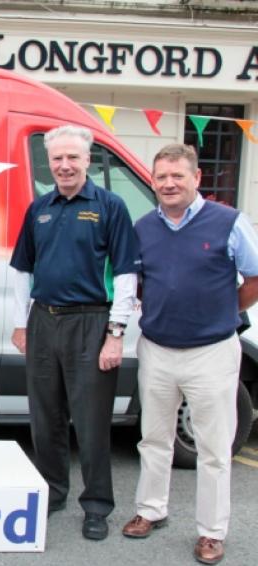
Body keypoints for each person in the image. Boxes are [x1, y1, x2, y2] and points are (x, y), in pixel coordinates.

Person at [121, 144, 258, 565]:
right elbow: (140, 283)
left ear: (197, 178)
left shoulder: (230, 222)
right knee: (154, 438)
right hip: (158, 349)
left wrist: (221, 310)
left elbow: (253, 277)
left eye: (177, 175)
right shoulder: (144, 227)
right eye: (161, 176)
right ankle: (150, 510)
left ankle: (212, 532)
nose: (168, 183)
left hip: (212, 352)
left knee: (214, 448)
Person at [9, 124, 140, 540]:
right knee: (45, 417)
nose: (65, 165)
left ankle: (97, 504)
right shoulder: (39, 208)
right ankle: (52, 490)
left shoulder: (110, 206)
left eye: (73, 158)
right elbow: (21, 270)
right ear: (49, 164)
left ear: (87, 159)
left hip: (91, 323)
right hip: (44, 321)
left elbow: (125, 274)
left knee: (91, 421)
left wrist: (116, 332)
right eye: (57, 159)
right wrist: (20, 323)